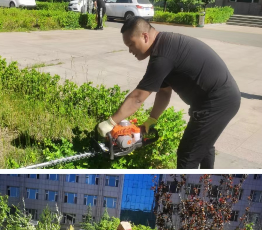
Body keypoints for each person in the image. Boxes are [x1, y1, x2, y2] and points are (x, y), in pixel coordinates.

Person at [96, 17, 241, 169]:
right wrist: (152, 119)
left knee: (187, 155)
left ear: (145, 36)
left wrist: (111, 122)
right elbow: (164, 92)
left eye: (131, 44)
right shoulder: (165, 46)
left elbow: (138, 98)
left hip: (218, 101)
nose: (130, 50)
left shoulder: (162, 56)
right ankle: (206, 182)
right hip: (217, 98)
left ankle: (189, 188)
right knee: (203, 145)